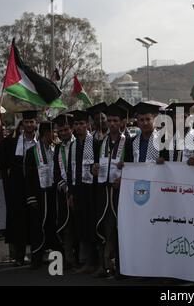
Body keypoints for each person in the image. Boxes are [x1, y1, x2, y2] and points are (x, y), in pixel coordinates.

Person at [94, 103, 132, 278]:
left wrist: (124, 178)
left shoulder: (129, 142)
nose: (112, 123)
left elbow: (134, 167)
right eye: (109, 120)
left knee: (121, 228)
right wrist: (93, 169)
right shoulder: (102, 142)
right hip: (104, 190)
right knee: (106, 227)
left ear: (122, 122)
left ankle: (123, 267)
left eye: (115, 120)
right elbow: (96, 164)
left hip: (121, 192)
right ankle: (107, 264)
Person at [0, 110, 39, 266]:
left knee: (35, 221)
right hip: (17, 189)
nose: (29, 125)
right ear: (22, 124)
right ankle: (19, 256)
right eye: (26, 122)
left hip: (35, 188)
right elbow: (1, 159)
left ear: (36, 123)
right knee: (19, 221)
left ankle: (36, 254)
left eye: (31, 122)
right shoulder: (12, 142)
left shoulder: (40, 141)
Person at [24, 121, 61, 269]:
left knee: (53, 223)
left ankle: (57, 255)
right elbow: (28, 177)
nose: (56, 135)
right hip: (39, 194)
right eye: (54, 132)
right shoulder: (32, 152)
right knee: (38, 225)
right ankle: (36, 257)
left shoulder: (56, 150)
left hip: (53, 192)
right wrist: (31, 196)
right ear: (47, 133)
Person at [67, 110, 99, 274]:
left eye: (81, 124)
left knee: (92, 225)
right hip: (77, 190)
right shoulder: (72, 145)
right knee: (81, 226)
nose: (79, 127)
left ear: (87, 125)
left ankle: (94, 262)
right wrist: (71, 193)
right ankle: (87, 261)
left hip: (91, 191)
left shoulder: (94, 143)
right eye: (76, 124)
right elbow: (70, 170)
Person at [52, 113, 77, 269]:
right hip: (64, 193)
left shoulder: (79, 144)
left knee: (80, 226)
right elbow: (56, 172)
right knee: (67, 227)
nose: (63, 133)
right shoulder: (58, 149)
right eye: (60, 131)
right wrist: (65, 188)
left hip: (80, 193)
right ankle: (69, 259)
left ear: (72, 129)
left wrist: (74, 191)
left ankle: (83, 259)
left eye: (66, 129)